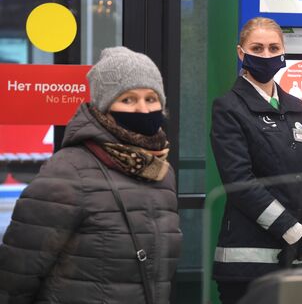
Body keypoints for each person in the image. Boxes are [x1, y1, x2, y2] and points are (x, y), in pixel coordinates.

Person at [0, 47, 182, 303]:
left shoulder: (161, 171)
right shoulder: (69, 170)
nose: (143, 109)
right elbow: (17, 273)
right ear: (105, 107)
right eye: (128, 99)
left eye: (151, 99)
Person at [210, 17, 302, 304]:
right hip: (248, 266)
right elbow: (240, 182)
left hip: (299, 257)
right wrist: (292, 231)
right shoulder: (229, 107)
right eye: (257, 48)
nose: (266, 55)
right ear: (241, 53)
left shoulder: (297, 107)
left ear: (283, 51)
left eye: (273, 47)